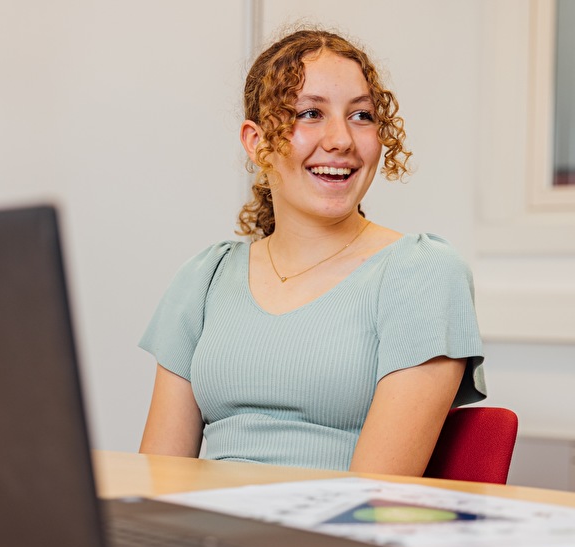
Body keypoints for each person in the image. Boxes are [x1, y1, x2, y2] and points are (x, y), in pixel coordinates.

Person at [138, 28, 486, 476]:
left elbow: (374, 495)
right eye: (310, 113)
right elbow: (158, 479)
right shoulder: (205, 278)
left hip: (330, 537)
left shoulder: (422, 272)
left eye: (361, 115)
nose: (341, 139)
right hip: (207, 535)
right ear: (257, 142)